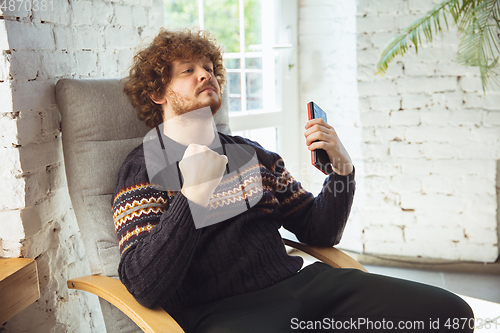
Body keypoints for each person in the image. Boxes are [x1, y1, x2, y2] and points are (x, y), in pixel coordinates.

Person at [113, 28, 474, 332]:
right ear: (157, 93)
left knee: (453, 315)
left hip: (303, 286)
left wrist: (341, 172)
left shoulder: (251, 154)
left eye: (208, 68)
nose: (205, 75)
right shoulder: (145, 166)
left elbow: (319, 232)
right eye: (187, 71)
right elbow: (144, 284)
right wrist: (192, 199)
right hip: (224, 312)